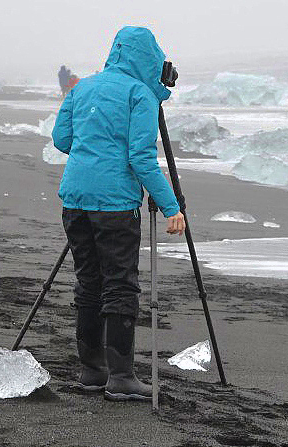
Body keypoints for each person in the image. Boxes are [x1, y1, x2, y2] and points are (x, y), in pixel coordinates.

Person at [51, 26, 186, 402]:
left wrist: (93, 147)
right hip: (114, 204)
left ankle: (92, 370)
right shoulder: (139, 94)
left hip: (75, 199)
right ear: (150, 59)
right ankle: (122, 376)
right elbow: (141, 158)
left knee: (89, 282)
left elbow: (62, 139)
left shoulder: (81, 88)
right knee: (120, 285)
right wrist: (172, 206)